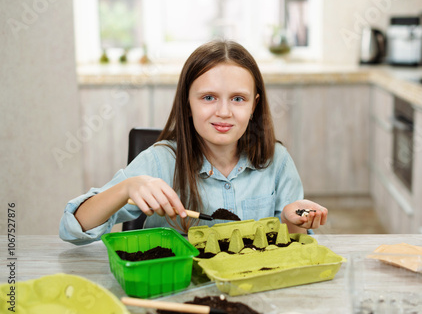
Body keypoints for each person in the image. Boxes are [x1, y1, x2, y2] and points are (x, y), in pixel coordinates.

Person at [60, 40, 327, 245]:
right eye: (208, 97)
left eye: (238, 99)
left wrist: (295, 222)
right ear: (187, 103)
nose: (224, 111)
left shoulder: (276, 160)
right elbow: (72, 229)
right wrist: (126, 188)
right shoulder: (159, 161)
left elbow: (294, 244)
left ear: (254, 105)